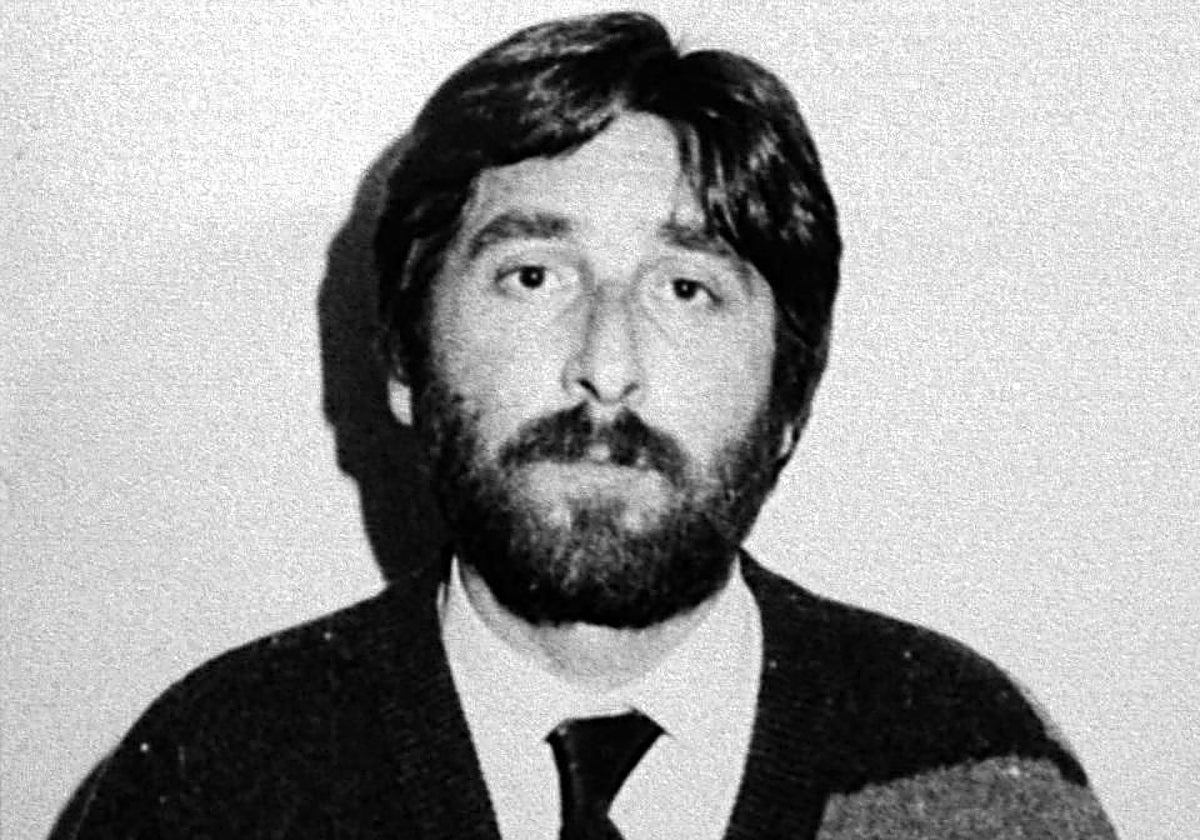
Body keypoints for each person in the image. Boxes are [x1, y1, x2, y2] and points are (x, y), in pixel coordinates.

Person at [53, 12, 1116, 840]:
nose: (606, 366)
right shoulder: (214, 781)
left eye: (687, 289)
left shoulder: (974, 772)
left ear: (792, 397)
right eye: (533, 276)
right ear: (405, 362)